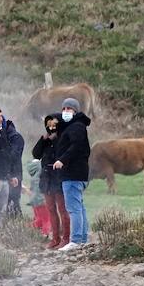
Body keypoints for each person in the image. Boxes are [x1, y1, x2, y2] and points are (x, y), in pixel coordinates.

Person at [51, 97, 92, 251]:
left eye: (69, 109)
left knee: (73, 208)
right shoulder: (76, 125)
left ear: (76, 111)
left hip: (72, 173)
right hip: (78, 173)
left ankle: (75, 240)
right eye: (64, 108)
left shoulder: (76, 127)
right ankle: (82, 239)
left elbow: (76, 147)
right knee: (79, 207)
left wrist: (62, 160)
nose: (66, 111)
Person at [34, 114, 69, 249]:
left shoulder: (64, 138)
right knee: (51, 209)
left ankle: (66, 238)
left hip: (59, 176)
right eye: (49, 125)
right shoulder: (46, 140)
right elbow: (36, 154)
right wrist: (44, 140)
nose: (51, 127)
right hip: (46, 177)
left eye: (54, 125)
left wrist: (56, 140)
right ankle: (55, 238)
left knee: (62, 209)